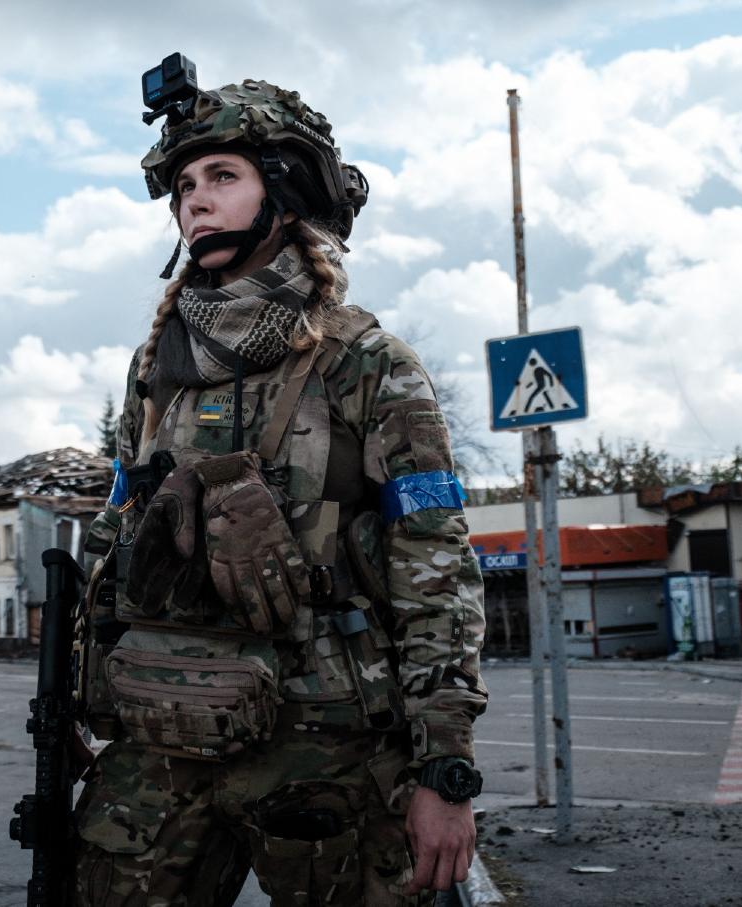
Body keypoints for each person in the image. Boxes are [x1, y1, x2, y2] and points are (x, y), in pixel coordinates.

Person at [73, 76, 488, 907]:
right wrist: (84, 706)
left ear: (285, 187)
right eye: (186, 187)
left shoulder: (367, 363)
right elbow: (111, 544)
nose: (197, 203)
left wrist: (445, 768)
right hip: (163, 734)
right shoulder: (156, 369)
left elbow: (433, 564)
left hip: (325, 745)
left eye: (223, 176)